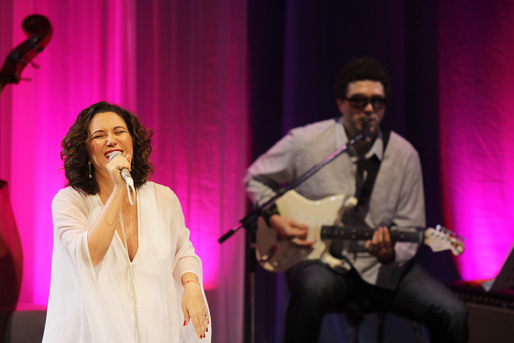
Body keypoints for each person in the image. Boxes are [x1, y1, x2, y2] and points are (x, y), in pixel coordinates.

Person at [245, 57, 468, 342]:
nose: (369, 110)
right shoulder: (306, 142)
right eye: (359, 101)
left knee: (453, 312)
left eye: (378, 102)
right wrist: (276, 219)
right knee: (311, 290)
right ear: (341, 103)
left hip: (382, 268)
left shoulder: (404, 155)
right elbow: (256, 177)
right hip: (320, 261)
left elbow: (411, 226)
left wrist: (389, 253)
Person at [42, 101, 211, 342]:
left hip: (156, 330)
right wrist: (118, 188)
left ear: (132, 141)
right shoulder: (69, 201)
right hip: (96, 332)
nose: (111, 140)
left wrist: (192, 284)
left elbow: (182, 251)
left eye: (119, 132)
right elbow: (89, 255)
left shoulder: (163, 198)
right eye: (99, 135)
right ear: (87, 152)